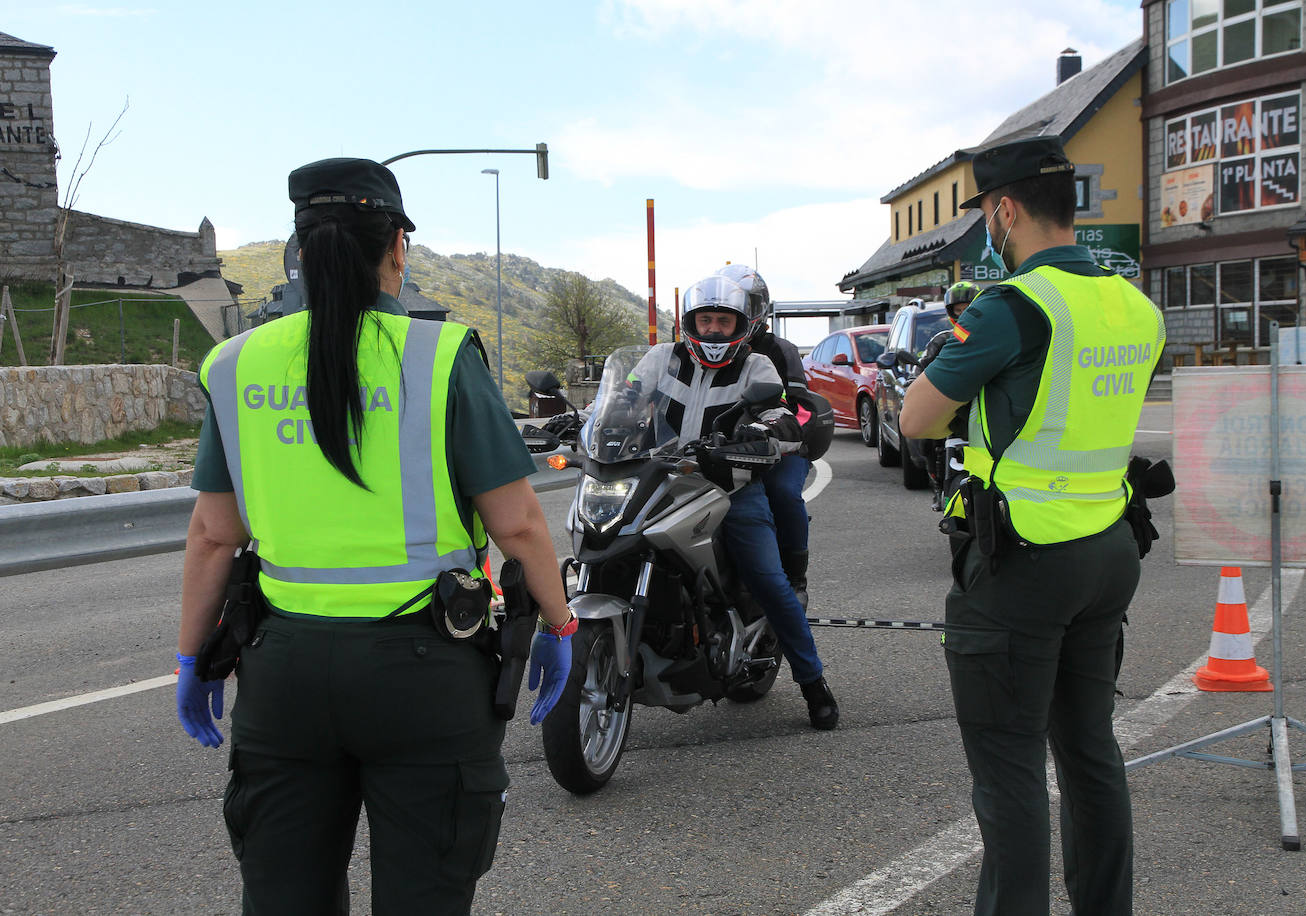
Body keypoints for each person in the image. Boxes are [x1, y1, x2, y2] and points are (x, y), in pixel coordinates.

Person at [174, 157, 575, 915]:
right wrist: (560, 624)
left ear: (299, 250)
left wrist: (192, 655)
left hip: (282, 671)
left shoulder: (234, 365)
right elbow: (517, 522)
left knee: (285, 897)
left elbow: (212, 536)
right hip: (424, 673)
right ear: (397, 246)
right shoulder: (442, 355)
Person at [899, 135, 1165, 916]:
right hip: (1110, 549)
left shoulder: (1013, 306)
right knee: (1089, 752)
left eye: (985, 211)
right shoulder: (1133, 304)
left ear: (1006, 210)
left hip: (1023, 560)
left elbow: (916, 419)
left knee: (1009, 768)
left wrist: (953, 347)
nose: (988, 226)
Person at [629, 274, 839, 730]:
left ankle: (813, 683)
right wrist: (582, 422)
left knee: (768, 580)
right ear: (688, 321)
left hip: (731, 486)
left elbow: (781, 412)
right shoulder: (660, 358)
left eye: (723, 321)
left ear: (741, 324)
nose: (713, 330)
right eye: (705, 320)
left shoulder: (756, 365)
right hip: (660, 482)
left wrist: (766, 430)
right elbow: (626, 398)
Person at [713, 263, 828, 608]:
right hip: (719, 448)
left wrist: (775, 433)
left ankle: (795, 579)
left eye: (741, 304)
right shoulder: (702, 348)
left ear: (756, 309)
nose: (729, 314)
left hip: (779, 448)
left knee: (781, 492)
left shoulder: (779, 350)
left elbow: (801, 407)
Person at [912, 280, 980, 511]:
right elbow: (921, 373)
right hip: (949, 408)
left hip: (982, 408)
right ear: (951, 312)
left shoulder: (991, 337)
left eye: (968, 307)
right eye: (958, 310)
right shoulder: (941, 341)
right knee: (927, 443)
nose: (963, 313)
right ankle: (939, 486)